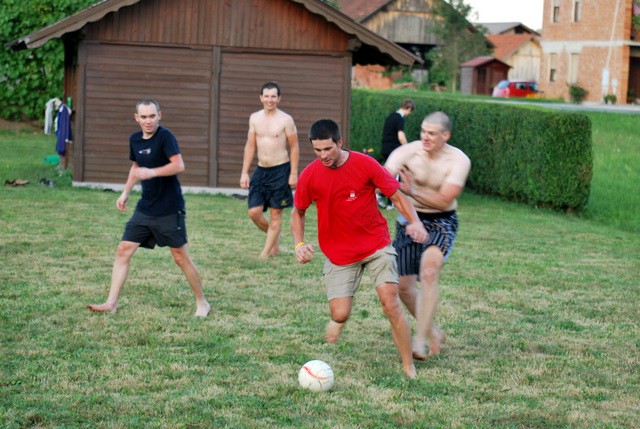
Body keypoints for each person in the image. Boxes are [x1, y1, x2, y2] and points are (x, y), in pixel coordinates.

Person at [291, 119, 428, 379]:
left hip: (375, 244)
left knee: (391, 303)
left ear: (339, 142)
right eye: (317, 150)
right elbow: (297, 212)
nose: (322, 156)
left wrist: (416, 222)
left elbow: (397, 196)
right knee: (340, 313)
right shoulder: (310, 174)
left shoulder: (365, 164)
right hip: (339, 253)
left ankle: (408, 365)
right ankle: (339, 321)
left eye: (327, 149)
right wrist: (299, 244)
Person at [87, 99, 210, 317]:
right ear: (136, 118)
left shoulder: (165, 137)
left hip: (170, 208)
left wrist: (152, 172)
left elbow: (179, 165)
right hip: (145, 207)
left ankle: (202, 302)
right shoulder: (135, 139)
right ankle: (111, 303)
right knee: (123, 249)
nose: (148, 121)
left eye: (152, 116)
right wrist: (125, 192)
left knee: (180, 257)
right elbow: (136, 167)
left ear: (159, 115)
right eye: (143, 117)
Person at [384, 111, 471, 360]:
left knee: (429, 272)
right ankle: (433, 331)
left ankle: (420, 341)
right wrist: (396, 191)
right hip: (408, 218)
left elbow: (445, 200)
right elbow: (384, 177)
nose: (425, 137)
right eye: (423, 131)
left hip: (441, 221)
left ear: (446, 136)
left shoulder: (458, 160)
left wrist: (412, 191)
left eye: (432, 133)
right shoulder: (408, 152)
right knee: (403, 287)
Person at [240, 81, 300, 259]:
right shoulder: (254, 118)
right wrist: (244, 172)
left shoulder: (285, 120)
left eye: (273, 96)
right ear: (261, 98)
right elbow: (250, 146)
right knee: (254, 212)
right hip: (261, 170)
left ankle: (265, 254)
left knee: (276, 214)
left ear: (279, 98)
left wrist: (293, 173)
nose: (270, 99)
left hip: (281, 170)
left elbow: (294, 147)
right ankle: (273, 236)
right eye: (266, 96)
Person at [378, 98, 415, 209]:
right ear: (408, 108)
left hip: (385, 148)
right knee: (395, 175)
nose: (409, 114)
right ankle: (390, 203)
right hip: (393, 149)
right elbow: (400, 136)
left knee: (387, 174)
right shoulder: (400, 118)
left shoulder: (391, 116)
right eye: (410, 111)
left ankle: (378, 193)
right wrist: (408, 148)